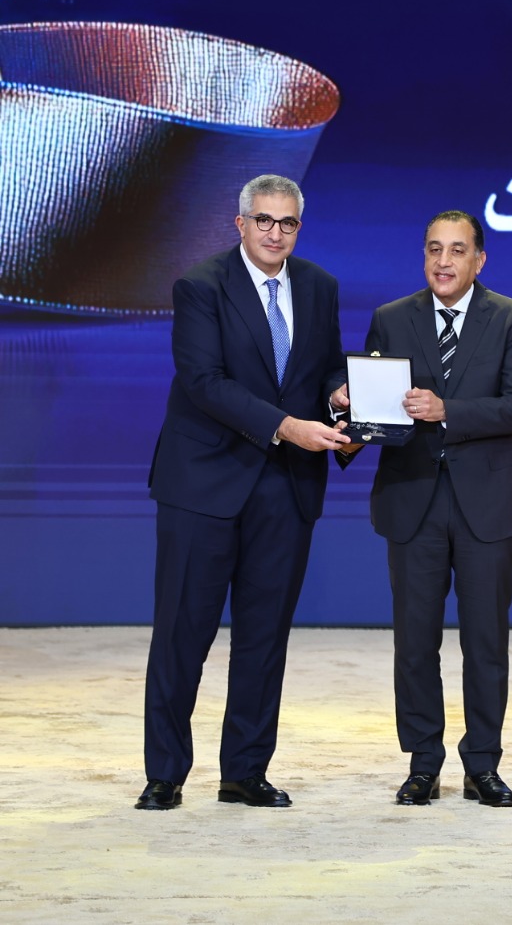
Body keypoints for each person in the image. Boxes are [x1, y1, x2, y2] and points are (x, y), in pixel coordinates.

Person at [138, 174, 351, 811]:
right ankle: (165, 774)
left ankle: (245, 772)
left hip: (286, 488)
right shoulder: (200, 286)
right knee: (183, 633)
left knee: (264, 636)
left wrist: (340, 394)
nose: (274, 233)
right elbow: (205, 382)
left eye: (287, 223)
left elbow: (324, 367)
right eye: (263, 220)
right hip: (204, 484)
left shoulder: (319, 286)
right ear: (240, 223)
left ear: (298, 228)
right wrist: (288, 426)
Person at [345, 210, 512, 807]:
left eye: (457, 250)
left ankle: (483, 764)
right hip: (412, 498)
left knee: (485, 641)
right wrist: (346, 412)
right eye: (434, 249)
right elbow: (376, 411)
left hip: (489, 503)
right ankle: (422, 762)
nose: (444, 261)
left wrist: (446, 410)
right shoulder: (391, 318)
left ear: (480, 260)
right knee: (414, 641)